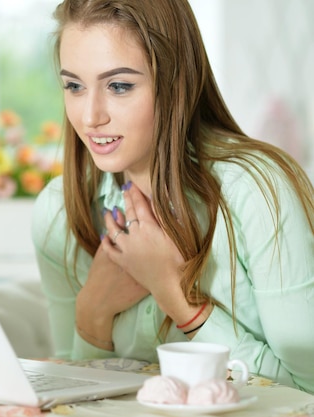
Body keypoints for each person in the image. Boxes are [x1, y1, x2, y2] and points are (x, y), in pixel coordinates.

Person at [31, 0, 314, 393]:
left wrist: (176, 296)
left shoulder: (259, 190)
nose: (90, 116)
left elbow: (307, 386)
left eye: (119, 86)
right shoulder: (58, 211)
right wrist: (92, 312)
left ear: (174, 82)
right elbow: (74, 395)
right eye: (74, 86)